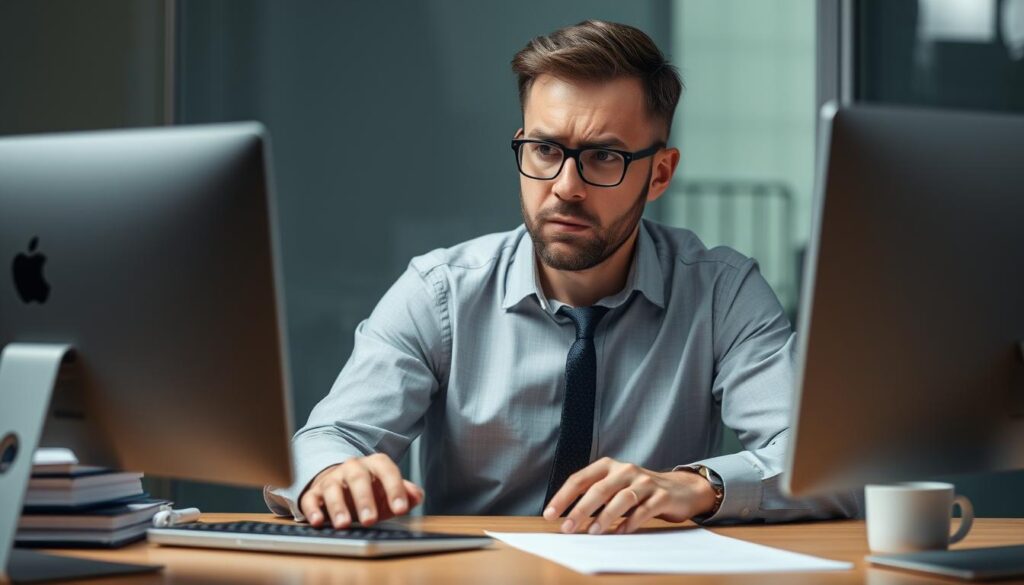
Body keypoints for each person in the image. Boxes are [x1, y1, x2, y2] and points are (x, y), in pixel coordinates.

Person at [265, 20, 859, 535]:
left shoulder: (720, 293)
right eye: (546, 150)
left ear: (659, 174)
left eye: (604, 156)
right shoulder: (441, 292)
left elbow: (828, 473)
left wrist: (699, 486)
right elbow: (323, 440)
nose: (566, 187)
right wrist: (332, 473)